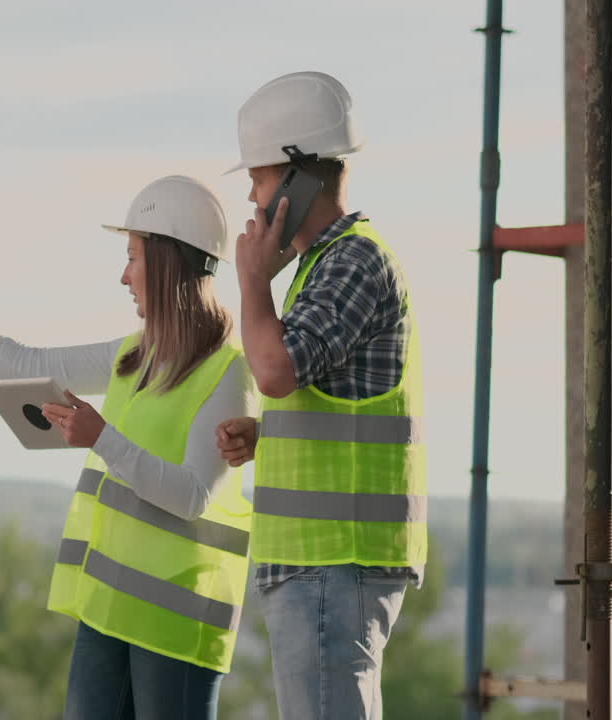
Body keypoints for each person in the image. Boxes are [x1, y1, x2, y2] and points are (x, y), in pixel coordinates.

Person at [0, 175, 255, 720]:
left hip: (175, 624)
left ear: (167, 262)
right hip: (108, 608)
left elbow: (193, 497)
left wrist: (102, 438)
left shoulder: (229, 372)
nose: (123, 276)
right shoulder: (136, 355)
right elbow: (27, 362)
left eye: (133, 258)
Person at [216, 71, 427, 720]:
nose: (251, 198)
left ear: (298, 176)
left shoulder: (352, 261)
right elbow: (317, 393)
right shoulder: (321, 266)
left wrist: (254, 283)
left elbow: (275, 370)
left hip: (336, 559)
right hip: (318, 562)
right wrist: (270, 433)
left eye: (257, 177)